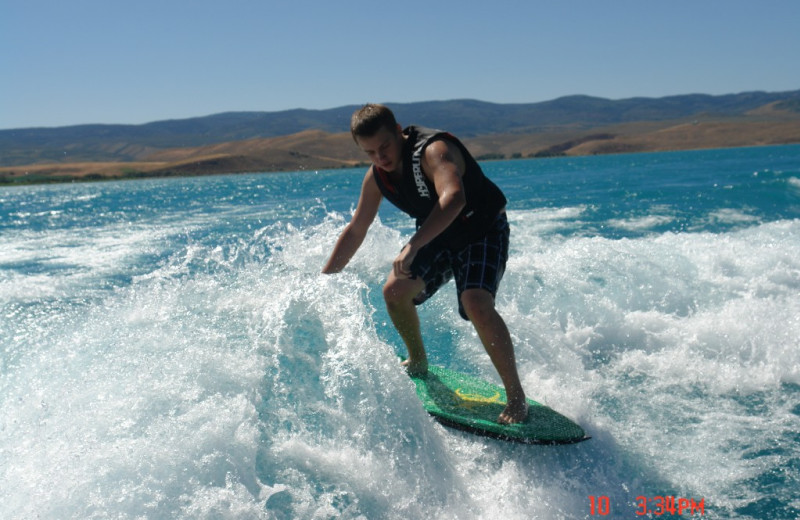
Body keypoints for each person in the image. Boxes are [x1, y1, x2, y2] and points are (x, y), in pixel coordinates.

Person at [322, 104, 528, 424]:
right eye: (370, 152)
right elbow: (356, 229)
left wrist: (413, 245)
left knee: (475, 301)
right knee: (394, 291)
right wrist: (325, 279)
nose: (381, 158)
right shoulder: (377, 177)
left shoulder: (434, 150)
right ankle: (418, 361)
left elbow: (454, 198)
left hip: (482, 229)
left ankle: (516, 397)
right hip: (440, 236)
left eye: (385, 146)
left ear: (399, 131)